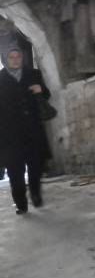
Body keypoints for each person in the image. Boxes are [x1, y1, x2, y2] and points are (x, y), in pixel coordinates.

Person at [0, 48, 52, 214]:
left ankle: (36, 194)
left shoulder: (33, 74)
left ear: (22, 58)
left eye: (18, 56)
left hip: (32, 130)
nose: (15, 60)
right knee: (15, 171)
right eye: (11, 57)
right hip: (10, 134)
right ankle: (21, 203)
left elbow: (47, 95)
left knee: (36, 166)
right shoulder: (0, 79)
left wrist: (41, 90)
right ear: (6, 60)